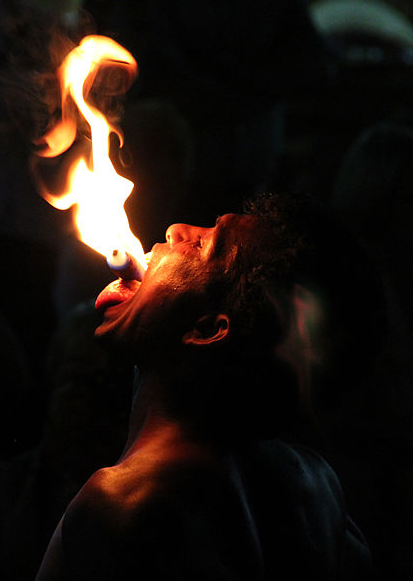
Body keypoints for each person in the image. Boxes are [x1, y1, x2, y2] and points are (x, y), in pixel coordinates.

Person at [35, 193, 384, 580]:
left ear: (207, 329)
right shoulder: (314, 484)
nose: (174, 230)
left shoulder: (126, 507)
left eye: (202, 245)